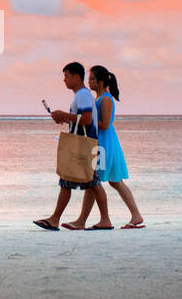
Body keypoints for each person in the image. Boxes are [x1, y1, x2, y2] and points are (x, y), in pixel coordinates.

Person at [34, 62, 113, 231]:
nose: (64, 80)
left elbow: (87, 119)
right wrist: (66, 118)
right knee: (80, 182)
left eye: (66, 76)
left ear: (76, 77)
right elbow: (82, 120)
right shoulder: (82, 95)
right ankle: (57, 218)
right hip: (86, 143)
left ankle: (56, 219)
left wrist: (65, 115)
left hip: (83, 144)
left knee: (82, 181)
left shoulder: (82, 95)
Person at [64, 65, 145, 229]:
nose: (89, 82)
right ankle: (135, 216)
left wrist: (83, 121)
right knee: (105, 181)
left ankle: (84, 220)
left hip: (104, 143)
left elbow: (105, 124)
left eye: (92, 79)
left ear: (100, 81)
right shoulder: (98, 98)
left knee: (94, 182)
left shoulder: (105, 99)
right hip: (100, 142)